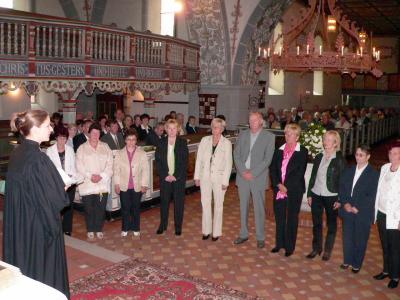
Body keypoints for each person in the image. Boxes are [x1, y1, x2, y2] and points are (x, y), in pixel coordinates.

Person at [3, 110, 70, 297]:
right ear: (35, 128)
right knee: (41, 271)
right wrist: (61, 189)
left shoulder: (17, 153)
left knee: (25, 267)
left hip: (20, 224)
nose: (51, 129)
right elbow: (54, 199)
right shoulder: (39, 159)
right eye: (48, 125)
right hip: (37, 227)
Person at [233, 112, 275, 248]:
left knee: (259, 208)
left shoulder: (269, 137)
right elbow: (236, 154)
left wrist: (253, 173)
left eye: (255, 120)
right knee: (243, 207)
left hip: (258, 177)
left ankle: (260, 237)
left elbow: (267, 159)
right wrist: (243, 171)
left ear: (261, 121)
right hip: (243, 176)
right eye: (250, 120)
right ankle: (243, 234)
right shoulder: (243, 134)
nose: (252, 123)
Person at [338, 145, 379, 273]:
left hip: (362, 212)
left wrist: (358, 207)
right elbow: (343, 188)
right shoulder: (349, 170)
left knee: (360, 239)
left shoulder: (373, 174)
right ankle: (347, 260)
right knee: (348, 237)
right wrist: (345, 203)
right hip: (348, 209)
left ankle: (356, 263)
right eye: (356, 154)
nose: (358, 157)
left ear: (368, 157)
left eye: (361, 155)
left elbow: (372, 195)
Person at [306, 130, 346, 261]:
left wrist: (340, 199)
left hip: (332, 195)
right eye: (325, 139)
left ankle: (327, 250)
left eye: (329, 140)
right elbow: (313, 177)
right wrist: (310, 193)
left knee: (331, 224)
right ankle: (316, 248)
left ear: (335, 143)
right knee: (316, 223)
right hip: (316, 193)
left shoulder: (339, 160)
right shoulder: (319, 156)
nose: (325, 142)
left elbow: (343, 181)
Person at [270, 124, 308, 256]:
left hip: (294, 189)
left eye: (291, 134)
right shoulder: (278, 150)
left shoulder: (302, 151)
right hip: (279, 188)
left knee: (292, 217)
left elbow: (299, 172)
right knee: (280, 217)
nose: (287, 136)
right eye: (286, 133)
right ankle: (279, 244)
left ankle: (289, 247)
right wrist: (278, 184)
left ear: (297, 136)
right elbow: (273, 169)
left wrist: (286, 187)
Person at [194, 118, 232, 241]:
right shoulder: (204, 140)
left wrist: (226, 181)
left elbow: (228, 164)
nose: (215, 129)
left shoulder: (227, 143)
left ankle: (216, 232)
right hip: (205, 177)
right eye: (214, 126)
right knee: (205, 203)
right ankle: (206, 230)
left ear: (222, 129)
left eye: (218, 127)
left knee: (218, 206)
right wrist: (197, 177)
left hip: (219, 178)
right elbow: (198, 159)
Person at [76, 123, 113, 239]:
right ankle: (90, 229)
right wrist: (90, 176)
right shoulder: (82, 148)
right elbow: (79, 166)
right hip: (87, 184)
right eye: (93, 133)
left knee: (100, 208)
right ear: (89, 133)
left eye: (97, 133)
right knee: (88, 208)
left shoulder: (105, 147)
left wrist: (101, 176)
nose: (95, 135)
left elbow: (110, 164)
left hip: (102, 184)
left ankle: (98, 228)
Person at [373, 141, 400, 289]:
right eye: (390, 153)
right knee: (384, 244)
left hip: (395, 216)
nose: (392, 156)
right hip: (382, 212)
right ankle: (386, 270)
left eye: (396, 153)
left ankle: (395, 276)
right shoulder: (384, 168)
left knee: (395, 246)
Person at [155, 119, 189, 235]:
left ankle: (178, 227)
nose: (172, 130)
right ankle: (162, 225)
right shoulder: (161, 142)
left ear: (178, 130)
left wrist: (175, 176)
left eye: (174, 128)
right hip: (165, 179)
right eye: (169, 128)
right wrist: (165, 175)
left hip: (178, 179)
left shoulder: (182, 143)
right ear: (166, 129)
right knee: (164, 203)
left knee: (179, 203)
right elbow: (158, 161)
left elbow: (184, 162)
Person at [114, 129, 149, 237]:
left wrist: (144, 184)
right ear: (125, 140)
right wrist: (117, 184)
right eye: (129, 139)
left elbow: (145, 170)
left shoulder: (142, 153)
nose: (131, 142)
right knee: (125, 208)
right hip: (124, 185)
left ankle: (135, 227)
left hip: (137, 185)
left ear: (136, 140)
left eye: (133, 139)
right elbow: (116, 170)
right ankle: (125, 228)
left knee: (136, 208)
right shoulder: (119, 153)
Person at [46, 126, 79, 236]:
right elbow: (49, 169)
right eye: (60, 138)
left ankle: (67, 229)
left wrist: (71, 176)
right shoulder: (50, 151)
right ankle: (56, 228)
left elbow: (74, 167)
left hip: (69, 183)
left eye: (64, 138)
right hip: (56, 184)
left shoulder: (70, 150)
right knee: (57, 207)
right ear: (56, 138)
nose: (62, 141)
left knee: (69, 207)